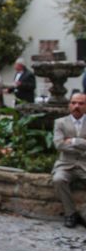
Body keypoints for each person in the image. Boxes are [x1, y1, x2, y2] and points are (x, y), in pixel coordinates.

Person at [51, 93, 86, 228]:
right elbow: (59, 145)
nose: (76, 106)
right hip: (65, 164)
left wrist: (73, 140)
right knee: (58, 180)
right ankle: (70, 213)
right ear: (69, 105)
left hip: (84, 164)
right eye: (73, 102)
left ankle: (84, 212)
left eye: (81, 103)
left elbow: (65, 144)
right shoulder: (60, 122)